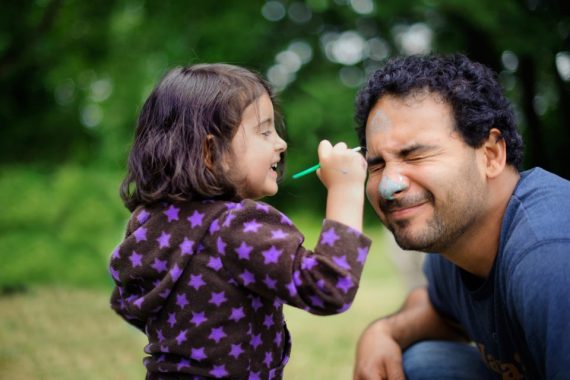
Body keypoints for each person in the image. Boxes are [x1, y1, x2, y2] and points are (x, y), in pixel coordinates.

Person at [108, 63, 371, 380]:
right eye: (264, 131)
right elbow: (330, 287)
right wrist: (345, 187)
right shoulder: (236, 226)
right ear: (210, 152)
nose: (281, 143)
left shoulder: (146, 221)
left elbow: (127, 302)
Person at [351, 54, 570, 380]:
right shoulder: (457, 234)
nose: (388, 185)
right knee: (422, 362)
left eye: (416, 154)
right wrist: (384, 332)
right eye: (377, 164)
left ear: (491, 155)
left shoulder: (549, 255)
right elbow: (439, 310)